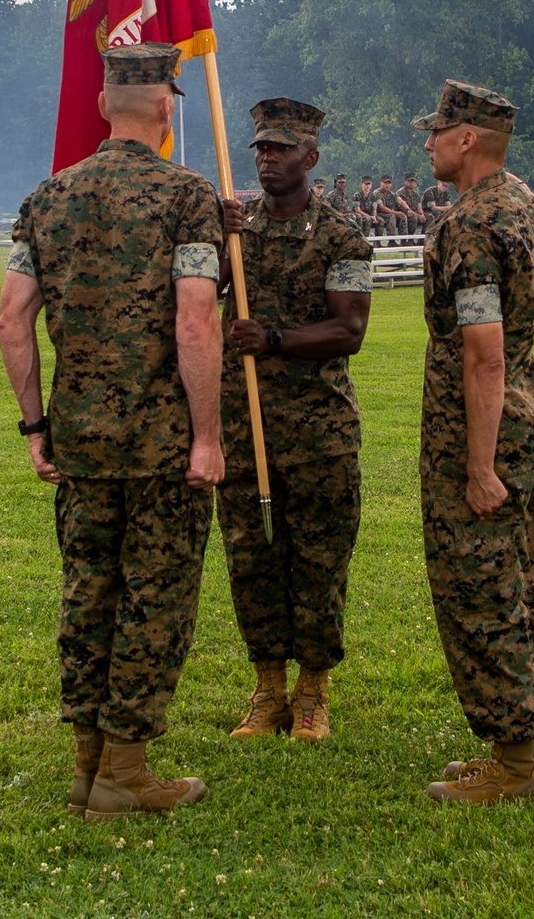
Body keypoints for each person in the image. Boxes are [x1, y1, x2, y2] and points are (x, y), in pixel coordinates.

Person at [0, 43, 224, 822]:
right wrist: (207, 438)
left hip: (80, 442)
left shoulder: (47, 198)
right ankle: (125, 769)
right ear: (166, 107)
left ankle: (88, 762)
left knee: (88, 591)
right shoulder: (186, 196)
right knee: (154, 597)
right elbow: (196, 319)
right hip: (161, 444)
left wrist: (36, 425)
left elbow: (10, 322)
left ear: (103, 106)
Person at [412, 80, 534, 805]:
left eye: (436, 131)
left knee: (481, 591)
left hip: (482, 434)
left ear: (466, 138)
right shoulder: (521, 202)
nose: (428, 142)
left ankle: (516, 765)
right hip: (522, 420)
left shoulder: (469, 224)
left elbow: (483, 352)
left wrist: (476, 465)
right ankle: (523, 747)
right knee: (518, 583)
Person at [218, 98, 372, 743]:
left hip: (317, 429)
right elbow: (204, 291)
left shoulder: (342, 235)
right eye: (259, 148)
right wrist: (214, 234)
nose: (267, 158)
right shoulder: (236, 227)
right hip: (242, 423)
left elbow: (349, 329)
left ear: (311, 157)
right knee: (251, 556)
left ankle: (312, 691)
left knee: (317, 557)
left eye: (281, 148)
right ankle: (267, 689)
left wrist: (273, 339)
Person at [374, 174, 405, 239]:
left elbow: (401, 201)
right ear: (381, 183)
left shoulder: (392, 194)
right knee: (392, 216)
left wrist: (408, 210)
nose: (387, 185)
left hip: (389, 214)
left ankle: (404, 240)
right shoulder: (377, 193)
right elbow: (381, 207)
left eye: (389, 183)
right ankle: (391, 240)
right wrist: (396, 213)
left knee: (403, 216)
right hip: (378, 214)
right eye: (385, 183)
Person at [398, 170, 427, 237]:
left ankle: (422, 239)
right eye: (409, 181)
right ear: (405, 181)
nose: (411, 183)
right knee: (413, 217)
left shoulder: (416, 195)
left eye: (413, 181)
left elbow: (419, 207)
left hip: (414, 214)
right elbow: (406, 209)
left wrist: (422, 215)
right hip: (404, 213)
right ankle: (409, 238)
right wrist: (419, 216)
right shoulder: (400, 193)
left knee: (429, 217)